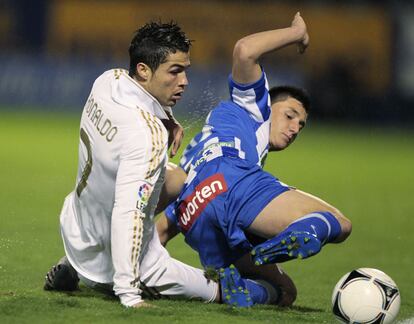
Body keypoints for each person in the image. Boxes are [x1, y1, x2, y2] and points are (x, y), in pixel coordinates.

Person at [156, 13, 352, 307]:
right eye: (290, 116)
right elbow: (245, 50)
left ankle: (241, 288)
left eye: (301, 126)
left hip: (194, 214)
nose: (295, 128)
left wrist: (134, 275)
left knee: (285, 291)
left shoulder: (202, 149)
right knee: (340, 223)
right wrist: (296, 32)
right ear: (268, 105)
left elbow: (161, 231)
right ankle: (303, 233)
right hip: (234, 185)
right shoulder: (253, 108)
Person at [43, 21, 221, 308]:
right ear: (143, 69)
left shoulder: (108, 80)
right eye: (175, 71)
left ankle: (73, 265)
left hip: (77, 227)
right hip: (109, 266)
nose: (184, 80)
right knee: (219, 290)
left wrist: (169, 120)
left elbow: (142, 101)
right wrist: (128, 291)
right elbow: (130, 214)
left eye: (185, 70)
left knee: (175, 178)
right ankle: (270, 292)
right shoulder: (145, 137)